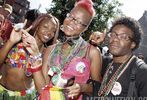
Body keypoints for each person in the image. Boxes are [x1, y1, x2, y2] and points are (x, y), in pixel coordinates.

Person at [24, 0, 102, 100]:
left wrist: (83, 87)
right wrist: (35, 55)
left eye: (79, 22)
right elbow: (42, 89)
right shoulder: (51, 49)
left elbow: (99, 89)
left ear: (85, 28)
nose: (71, 22)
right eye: (70, 17)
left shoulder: (92, 52)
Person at [0, 14, 59, 99]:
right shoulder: (18, 39)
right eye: (45, 27)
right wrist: (11, 41)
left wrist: (36, 56)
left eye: (53, 30)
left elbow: (42, 90)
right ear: (38, 25)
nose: (49, 32)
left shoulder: (46, 53)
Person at [97, 17, 147, 98]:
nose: (115, 39)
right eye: (113, 34)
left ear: (133, 44)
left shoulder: (142, 71)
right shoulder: (105, 62)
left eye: (123, 37)